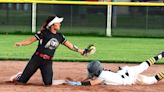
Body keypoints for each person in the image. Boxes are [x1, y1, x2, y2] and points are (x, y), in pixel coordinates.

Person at [10, 15, 94, 86]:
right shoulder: (43, 33)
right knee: (21, 82)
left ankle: (25, 75)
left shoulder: (60, 36)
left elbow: (70, 46)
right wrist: (20, 43)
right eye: (58, 23)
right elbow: (30, 40)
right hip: (36, 59)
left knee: (48, 84)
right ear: (53, 25)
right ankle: (20, 75)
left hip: (47, 62)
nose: (60, 24)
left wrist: (82, 51)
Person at [67, 52, 164, 86]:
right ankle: (161, 55)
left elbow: (91, 83)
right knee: (144, 65)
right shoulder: (103, 71)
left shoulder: (101, 78)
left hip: (131, 79)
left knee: (152, 80)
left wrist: (77, 83)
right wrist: (82, 80)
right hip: (127, 71)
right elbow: (90, 76)